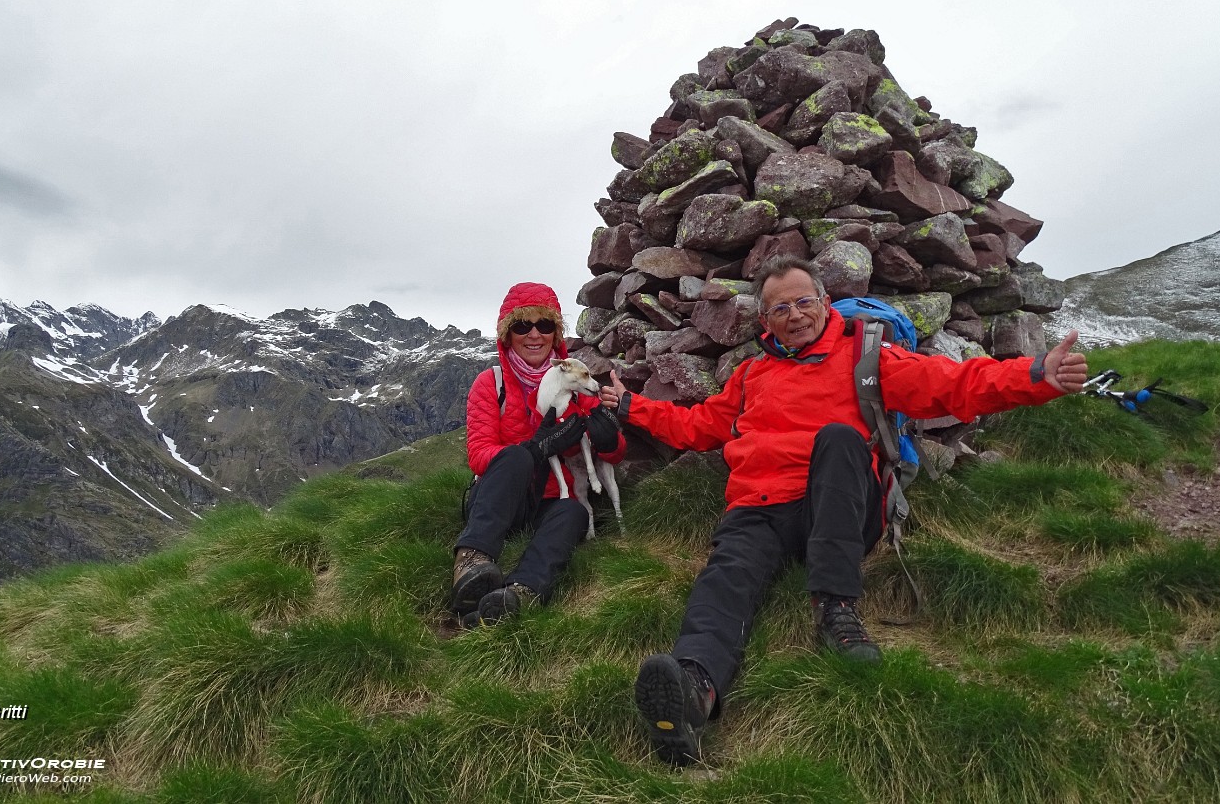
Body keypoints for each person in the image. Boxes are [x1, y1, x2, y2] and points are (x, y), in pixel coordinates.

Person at [598, 255, 1087, 765]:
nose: (795, 314)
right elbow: (699, 426)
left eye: (804, 300)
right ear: (765, 322)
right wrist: (632, 407)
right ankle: (694, 689)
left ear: (825, 303)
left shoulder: (866, 358)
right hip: (760, 505)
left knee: (837, 440)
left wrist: (1037, 374)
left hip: (840, 505)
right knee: (725, 576)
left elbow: (952, 384)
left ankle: (837, 608)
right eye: (780, 307)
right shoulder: (750, 375)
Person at [452, 282, 627, 626]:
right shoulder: (492, 384)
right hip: (501, 498)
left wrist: (608, 439)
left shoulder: (575, 380)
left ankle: (520, 591)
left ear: (555, 333)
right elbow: (479, 455)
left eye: (544, 325)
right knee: (515, 458)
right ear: (507, 335)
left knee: (573, 512)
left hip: (549, 500)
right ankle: (472, 562)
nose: (534, 334)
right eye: (522, 326)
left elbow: (615, 453)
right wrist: (536, 450)